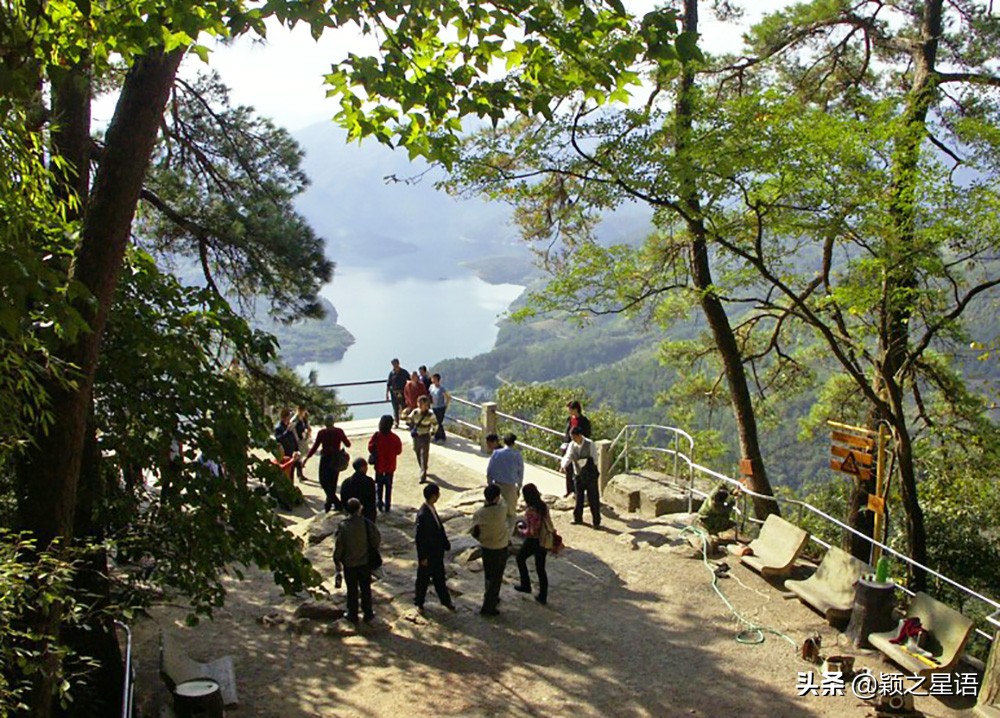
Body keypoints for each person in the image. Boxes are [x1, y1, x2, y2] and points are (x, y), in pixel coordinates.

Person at [333, 497, 380, 623]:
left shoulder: (343, 526)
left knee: (352, 590)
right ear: (360, 508)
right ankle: (368, 612)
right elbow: (376, 539)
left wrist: (337, 559)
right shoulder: (366, 523)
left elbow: (340, 545)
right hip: (364, 562)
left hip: (350, 564)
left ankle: (352, 614)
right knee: (366, 589)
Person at [414, 482, 456, 611]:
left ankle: (445, 601)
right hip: (429, 553)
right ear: (433, 496)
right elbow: (420, 539)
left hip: (437, 552)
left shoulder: (430, 509)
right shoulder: (423, 515)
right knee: (423, 579)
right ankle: (419, 601)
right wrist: (423, 557)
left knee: (439, 579)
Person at [471, 484, 509, 616]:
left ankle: (490, 597)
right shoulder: (502, 510)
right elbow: (503, 500)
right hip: (501, 546)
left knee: (489, 575)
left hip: (487, 547)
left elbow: (473, 530)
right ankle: (489, 605)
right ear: (497, 497)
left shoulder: (480, 513)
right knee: (497, 577)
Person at [515, 483, 554, 606]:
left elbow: (531, 531)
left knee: (520, 558)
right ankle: (543, 595)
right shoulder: (543, 506)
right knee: (540, 568)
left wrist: (520, 530)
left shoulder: (531, 511)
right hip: (543, 539)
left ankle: (526, 584)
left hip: (533, 540)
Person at [303, 414, 350, 512]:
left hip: (325, 460)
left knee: (323, 481)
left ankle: (335, 503)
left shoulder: (322, 433)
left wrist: (307, 458)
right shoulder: (339, 431)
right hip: (336, 459)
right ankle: (330, 504)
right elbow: (348, 444)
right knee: (332, 483)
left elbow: (315, 447)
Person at [561, 426, 601, 528]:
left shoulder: (589, 443)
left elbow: (595, 459)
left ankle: (596, 521)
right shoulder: (572, 445)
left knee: (593, 498)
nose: (574, 440)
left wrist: (587, 463)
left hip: (590, 474)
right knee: (579, 497)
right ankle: (577, 518)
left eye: (575, 437)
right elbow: (568, 456)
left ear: (579, 436)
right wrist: (563, 465)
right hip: (578, 473)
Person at [487, 433, 524, 533]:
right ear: (513, 442)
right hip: (511, 486)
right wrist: (519, 487)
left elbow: (489, 471)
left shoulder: (496, 453)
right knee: (511, 513)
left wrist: (490, 484)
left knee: (497, 509)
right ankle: (509, 534)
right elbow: (520, 473)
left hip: (497, 484)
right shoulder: (517, 455)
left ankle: (497, 531)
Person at [368, 415, 403, 512]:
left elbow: (370, 448)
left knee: (378, 486)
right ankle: (388, 505)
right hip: (390, 467)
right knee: (388, 487)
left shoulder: (377, 436)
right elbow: (399, 451)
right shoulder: (395, 438)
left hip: (379, 466)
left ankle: (379, 503)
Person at [562, 401, 592, 497]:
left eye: (570, 409)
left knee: (579, 471)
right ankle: (569, 490)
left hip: (579, 448)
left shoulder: (584, 421)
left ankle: (578, 491)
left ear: (575, 409)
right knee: (568, 469)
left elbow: (587, 435)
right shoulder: (569, 419)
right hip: (569, 447)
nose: (569, 412)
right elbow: (567, 433)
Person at [406, 395, 438, 483]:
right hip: (417, 436)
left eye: (421, 403)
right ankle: (423, 467)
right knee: (416, 450)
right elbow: (409, 420)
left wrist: (432, 433)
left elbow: (435, 424)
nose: (419, 405)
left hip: (425, 436)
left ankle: (423, 473)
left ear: (426, 404)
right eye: (418, 403)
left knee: (424, 454)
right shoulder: (415, 412)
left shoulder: (430, 415)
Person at [341, 457, 378, 523]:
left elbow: (343, 499)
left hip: (350, 514)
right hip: (366, 515)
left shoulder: (346, 482)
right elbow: (372, 501)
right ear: (363, 467)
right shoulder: (369, 482)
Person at [386, 358, 409, 428]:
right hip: (394, 393)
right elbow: (388, 384)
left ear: (398, 363)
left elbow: (409, 380)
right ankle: (396, 422)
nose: (394, 365)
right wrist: (387, 394)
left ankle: (408, 421)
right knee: (395, 408)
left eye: (395, 364)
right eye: (393, 364)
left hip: (403, 393)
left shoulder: (404, 372)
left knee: (405, 407)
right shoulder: (391, 373)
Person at [428, 373, 450, 443]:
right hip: (434, 407)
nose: (432, 380)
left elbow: (447, 397)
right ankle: (437, 437)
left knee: (439, 423)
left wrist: (446, 405)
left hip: (440, 408)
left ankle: (442, 438)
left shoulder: (441, 389)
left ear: (438, 379)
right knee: (435, 422)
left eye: (434, 378)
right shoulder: (431, 387)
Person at [292, 405, 311, 481]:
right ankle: (299, 474)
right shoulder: (296, 419)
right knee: (299, 457)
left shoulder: (303, 418)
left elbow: (306, 426)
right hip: (298, 440)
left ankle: (300, 473)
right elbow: (293, 429)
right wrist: (297, 439)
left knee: (302, 455)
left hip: (302, 439)